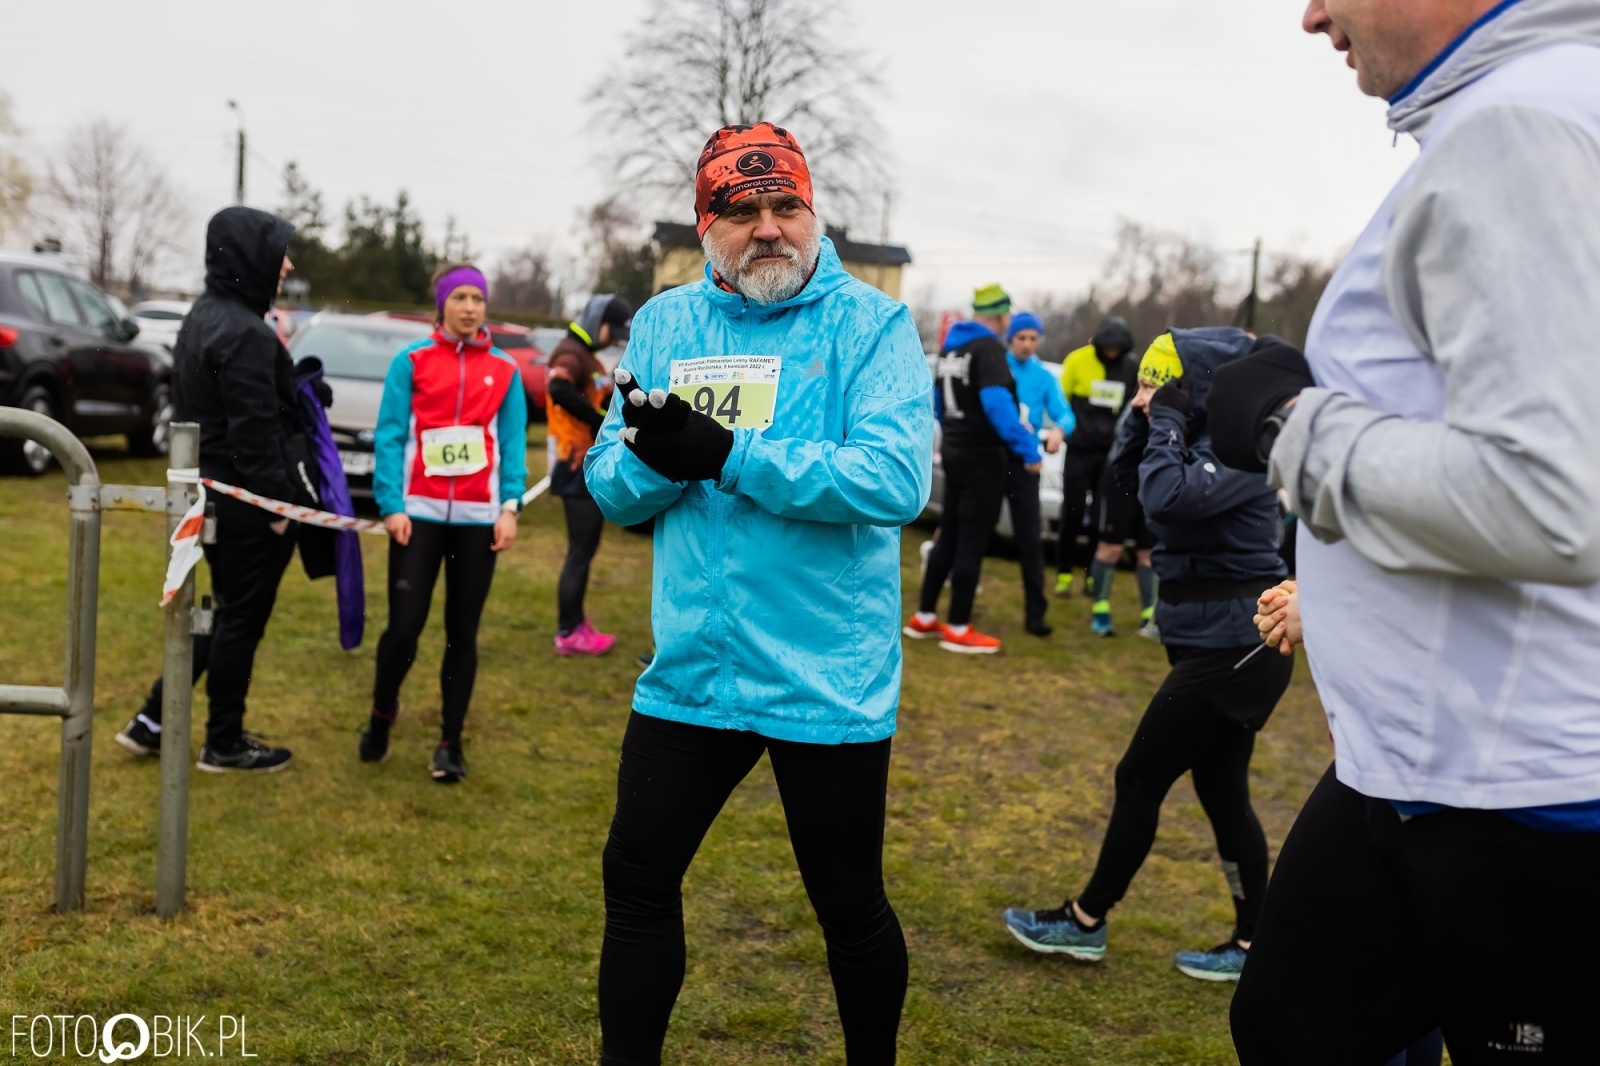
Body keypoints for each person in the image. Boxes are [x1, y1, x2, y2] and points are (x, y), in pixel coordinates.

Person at [1203, 1, 1600, 1061]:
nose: (1311, 14)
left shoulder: (1525, 124)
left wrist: (1290, 423)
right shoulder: (1523, 111)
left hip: (1521, 794)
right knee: (1286, 1026)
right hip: (1419, 763)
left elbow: (1555, 499)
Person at [584, 121, 932, 1066]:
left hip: (825, 675)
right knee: (637, 877)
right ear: (707, 227)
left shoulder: (872, 325)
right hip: (695, 669)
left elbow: (894, 480)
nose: (768, 228)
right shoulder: (665, 326)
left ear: (813, 214)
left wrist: (729, 455)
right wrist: (661, 465)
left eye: (786, 207)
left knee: (848, 904)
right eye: (741, 211)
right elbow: (612, 487)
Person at [1003, 328, 1292, 982]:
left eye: (1163, 385)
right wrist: (1147, 418)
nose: (1149, 397)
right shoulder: (1193, 438)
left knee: (1139, 778)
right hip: (1209, 637)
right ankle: (1253, 947)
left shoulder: (1244, 451)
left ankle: (1085, 921)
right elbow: (1131, 489)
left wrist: (1163, 417)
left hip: (1238, 645)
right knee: (1224, 795)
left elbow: (1168, 497)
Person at [115, 206, 302, 773]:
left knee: (218, 616)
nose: (288, 264)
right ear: (251, 256)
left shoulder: (204, 315)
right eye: (279, 252)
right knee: (239, 620)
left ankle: (151, 719)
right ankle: (223, 741)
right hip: (245, 502)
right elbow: (253, 431)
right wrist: (276, 506)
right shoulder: (245, 332)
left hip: (210, 495)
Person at [359, 263, 527, 783]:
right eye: (461, 298)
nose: (471, 307)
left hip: (478, 518)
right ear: (442, 305)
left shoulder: (505, 370)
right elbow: (388, 436)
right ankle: (381, 716)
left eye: (478, 298)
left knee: (463, 632)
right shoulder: (410, 362)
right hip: (419, 514)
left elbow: (514, 442)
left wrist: (509, 506)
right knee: (404, 628)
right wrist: (390, 503)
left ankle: (450, 743)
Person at [904, 285, 1040, 653]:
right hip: (983, 457)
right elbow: (998, 405)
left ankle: (926, 616)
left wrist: (953, 433)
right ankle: (959, 627)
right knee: (973, 539)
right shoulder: (989, 349)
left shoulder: (952, 347)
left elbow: (936, 402)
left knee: (948, 532)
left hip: (956, 452)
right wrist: (1028, 450)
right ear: (1000, 315)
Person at [1055, 318, 1155, 638]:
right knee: (1073, 512)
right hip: (1080, 451)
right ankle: (1065, 574)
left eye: (1117, 350)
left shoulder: (1133, 369)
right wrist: (1069, 428)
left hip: (1115, 457)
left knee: (1107, 525)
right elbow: (1061, 403)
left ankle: (1093, 577)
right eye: (1107, 348)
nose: (1112, 353)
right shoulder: (1077, 361)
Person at [546, 293, 633, 656]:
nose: (613, 339)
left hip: (583, 466)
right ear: (596, 319)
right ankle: (569, 633)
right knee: (580, 551)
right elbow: (558, 388)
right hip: (573, 465)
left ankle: (576, 624)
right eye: (611, 331)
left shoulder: (586, 355)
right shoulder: (570, 354)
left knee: (585, 548)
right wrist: (601, 422)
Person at [1004, 311, 1073, 636]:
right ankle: (959, 611)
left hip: (1026, 464)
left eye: (1034, 338)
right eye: (1022, 338)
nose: (1028, 344)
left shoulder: (1044, 377)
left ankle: (1036, 614)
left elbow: (1065, 413)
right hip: (992, 460)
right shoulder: (997, 366)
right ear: (1011, 340)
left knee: (1031, 540)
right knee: (968, 533)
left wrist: (1059, 430)